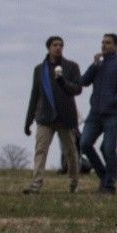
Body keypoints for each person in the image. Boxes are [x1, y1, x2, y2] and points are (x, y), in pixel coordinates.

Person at [22, 36, 84, 194]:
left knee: (71, 152)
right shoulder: (39, 70)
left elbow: (77, 89)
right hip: (45, 117)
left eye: (61, 45)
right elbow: (34, 95)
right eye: (55, 45)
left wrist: (63, 82)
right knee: (41, 150)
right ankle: (36, 183)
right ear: (48, 47)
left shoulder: (71, 67)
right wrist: (28, 120)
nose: (58, 48)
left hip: (66, 117)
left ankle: (74, 182)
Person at [79, 33, 117, 196]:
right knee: (84, 144)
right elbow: (84, 81)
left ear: (116, 46)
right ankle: (104, 175)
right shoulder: (98, 65)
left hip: (113, 114)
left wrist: (114, 101)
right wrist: (94, 65)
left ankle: (109, 185)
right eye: (102, 42)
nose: (104, 45)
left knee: (108, 148)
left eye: (108, 43)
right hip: (95, 113)